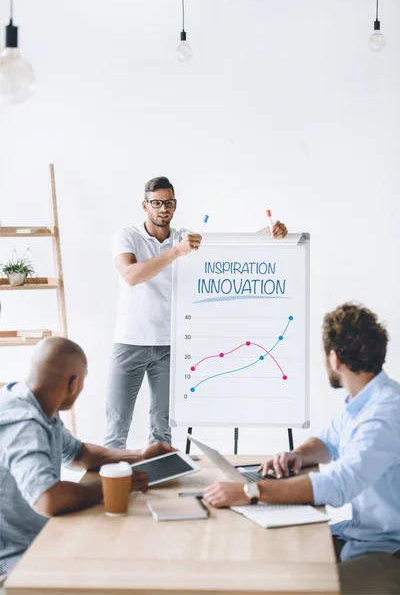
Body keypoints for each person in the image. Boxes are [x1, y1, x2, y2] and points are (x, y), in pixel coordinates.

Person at [204, 303, 400, 595]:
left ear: (334, 358)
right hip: (360, 536)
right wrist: (298, 454)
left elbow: (339, 485)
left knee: (294, 586)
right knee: (271, 561)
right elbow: (328, 442)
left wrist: (251, 492)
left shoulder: (385, 413)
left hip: (388, 552)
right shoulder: (366, 402)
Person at [105, 176, 288, 449]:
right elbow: (131, 275)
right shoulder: (127, 236)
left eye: (168, 203)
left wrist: (266, 233)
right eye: (156, 203)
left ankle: (158, 483)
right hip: (130, 341)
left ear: (175, 206)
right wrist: (175, 252)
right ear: (145, 206)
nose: (162, 209)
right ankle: (110, 487)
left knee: (162, 429)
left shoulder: (183, 238)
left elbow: (225, 251)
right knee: (117, 425)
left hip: (169, 344)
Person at [0, 337, 174, 577]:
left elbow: (78, 454)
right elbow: (48, 498)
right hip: (15, 560)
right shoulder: (22, 424)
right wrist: (113, 487)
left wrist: (138, 454)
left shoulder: (32, 401)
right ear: (73, 383)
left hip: (42, 537)